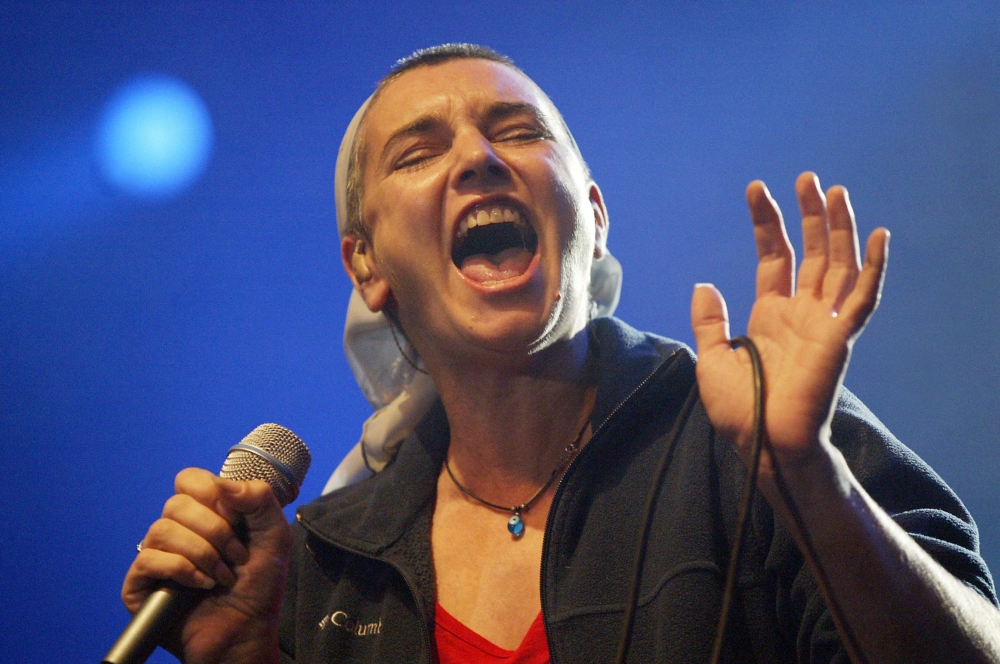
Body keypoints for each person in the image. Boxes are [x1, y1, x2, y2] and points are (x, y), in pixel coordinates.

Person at [122, 44, 1000, 663]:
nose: (478, 158)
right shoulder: (323, 566)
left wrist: (810, 480)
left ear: (593, 212)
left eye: (518, 131)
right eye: (421, 152)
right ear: (367, 265)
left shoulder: (754, 433)